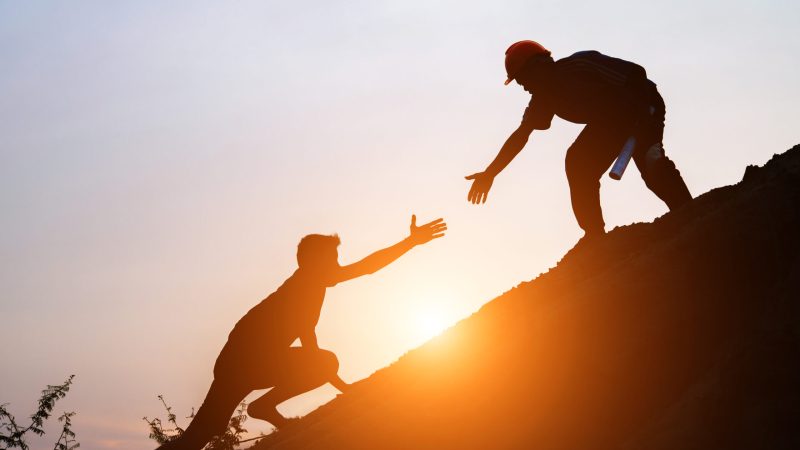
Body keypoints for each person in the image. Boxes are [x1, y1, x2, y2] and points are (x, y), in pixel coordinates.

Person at [157, 215, 447, 449]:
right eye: (332, 259)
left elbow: (363, 269)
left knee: (203, 432)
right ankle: (264, 407)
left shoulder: (310, 283)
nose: (337, 265)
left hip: (245, 361)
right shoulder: (304, 286)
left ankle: (264, 407)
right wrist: (343, 386)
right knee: (203, 431)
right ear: (313, 262)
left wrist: (410, 242)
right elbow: (311, 337)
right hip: (241, 363)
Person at [466, 40, 692, 241]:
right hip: (610, 121)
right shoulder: (543, 99)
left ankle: (690, 213)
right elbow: (521, 135)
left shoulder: (581, 64)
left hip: (643, 105)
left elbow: (636, 74)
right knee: (577, 161)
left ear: (539, 66)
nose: (524, 87)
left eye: (524, 79)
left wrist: (643, 116)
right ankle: (594, 235)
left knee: (651, 163)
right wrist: (490, 173)